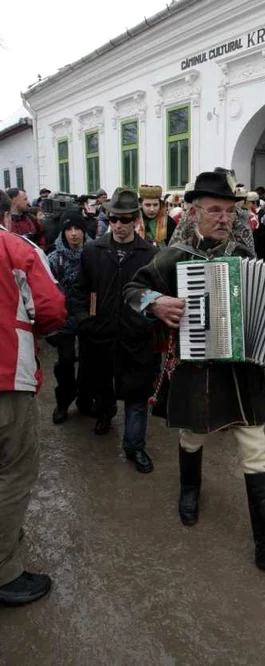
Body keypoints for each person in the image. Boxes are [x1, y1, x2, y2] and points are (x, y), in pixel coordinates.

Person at [124, 171, 265, 579]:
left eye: (229, 211)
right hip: (195, 372)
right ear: (194, 213)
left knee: (256, 449)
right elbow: (132, 290)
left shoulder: (245, 259)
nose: (223, 218)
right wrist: (156, 302)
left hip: (242, 374)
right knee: (192, 436)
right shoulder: (174, 257)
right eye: (214, 210)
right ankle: (190, 489)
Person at [0, 190, 67, 606]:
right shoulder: (13, 246)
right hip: (6, 375)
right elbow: (50, 307)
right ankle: (4, 571)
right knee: (14, 471)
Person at [72, 188, 158, 473]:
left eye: (125, 219)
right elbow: (80, 291)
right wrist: (86, 320)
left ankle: (134, 447)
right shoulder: (93, 251)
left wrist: (147, 320)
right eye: (114, 220)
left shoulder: (150, 254)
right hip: (101, 334)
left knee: (136, 394)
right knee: (103, 385)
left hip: (136, 338)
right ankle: (105, 414)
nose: (119, 226)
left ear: (136, 219)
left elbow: (157, 295)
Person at [47, 209, 92, 424]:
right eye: (69, 229)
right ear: (63, 232)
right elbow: (48, 290)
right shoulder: (54, 258)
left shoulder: (94, 253)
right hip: (64, 319)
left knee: (89, 361)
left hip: (87, 317)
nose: (74, 233)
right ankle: (63, 401)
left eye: (77, 229)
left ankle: (85, 400)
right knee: (64, 362)